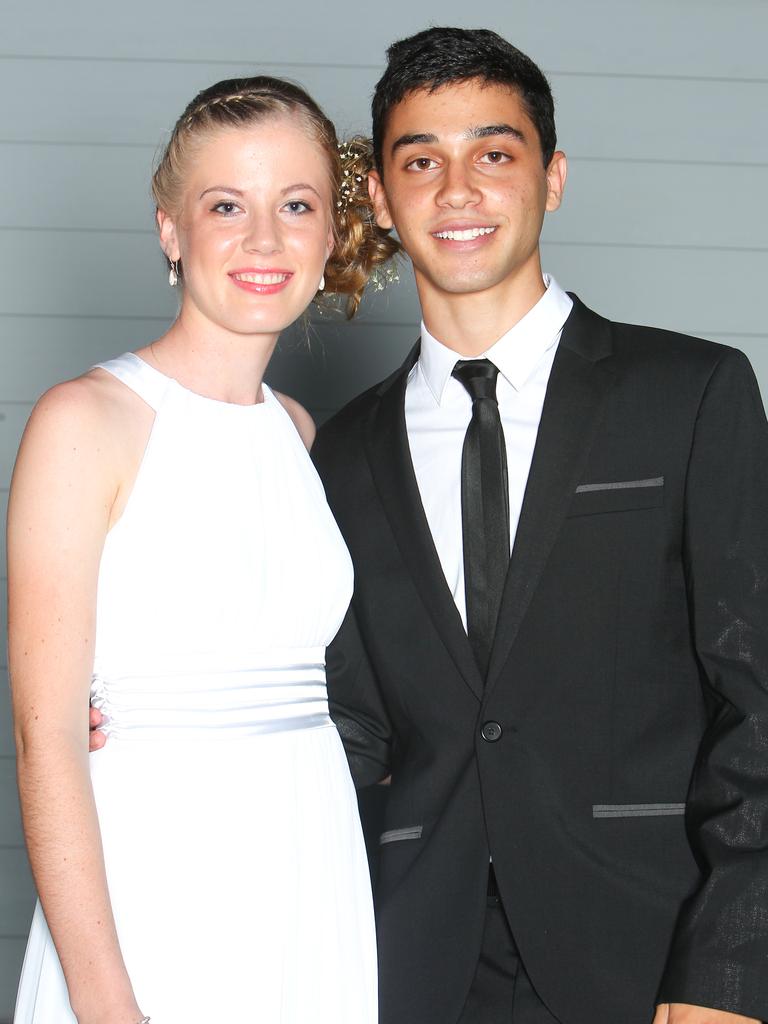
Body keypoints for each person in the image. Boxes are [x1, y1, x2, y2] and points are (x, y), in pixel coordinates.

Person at [309, 27, 768, 1024]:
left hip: (646, 960)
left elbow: (759, 705)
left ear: (552, 177)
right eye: (420, 160)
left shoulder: (690, 394)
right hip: (408, 969)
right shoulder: (342, 454)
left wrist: (725, 982)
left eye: (495, 153)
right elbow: (344, 727)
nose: (458, 188)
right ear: (383, 199)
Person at [10, 76, 396, 1023]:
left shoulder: (299, 433)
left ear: (331, 234)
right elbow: (46, 741)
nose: (264, 241)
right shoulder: (86, 419)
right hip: (156, 884)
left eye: (295, 205)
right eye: (226, 206)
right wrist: (107, 1004)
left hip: (311, 879)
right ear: (170, 230)